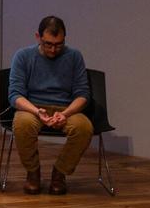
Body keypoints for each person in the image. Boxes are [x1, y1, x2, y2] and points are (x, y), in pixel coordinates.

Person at [7, 15, 94, 195]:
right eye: (48, 44)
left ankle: (59, 173)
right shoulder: (23, 56)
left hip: (65, 108)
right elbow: (15, 95)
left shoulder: (74, 57)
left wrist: (66, 114)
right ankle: (33, 172)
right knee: (23, 124)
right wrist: (36, 111)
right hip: (33, 107)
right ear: (38, 37)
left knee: (84, 127)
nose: (53, 49)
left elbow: (83, 94)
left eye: (58, 44)